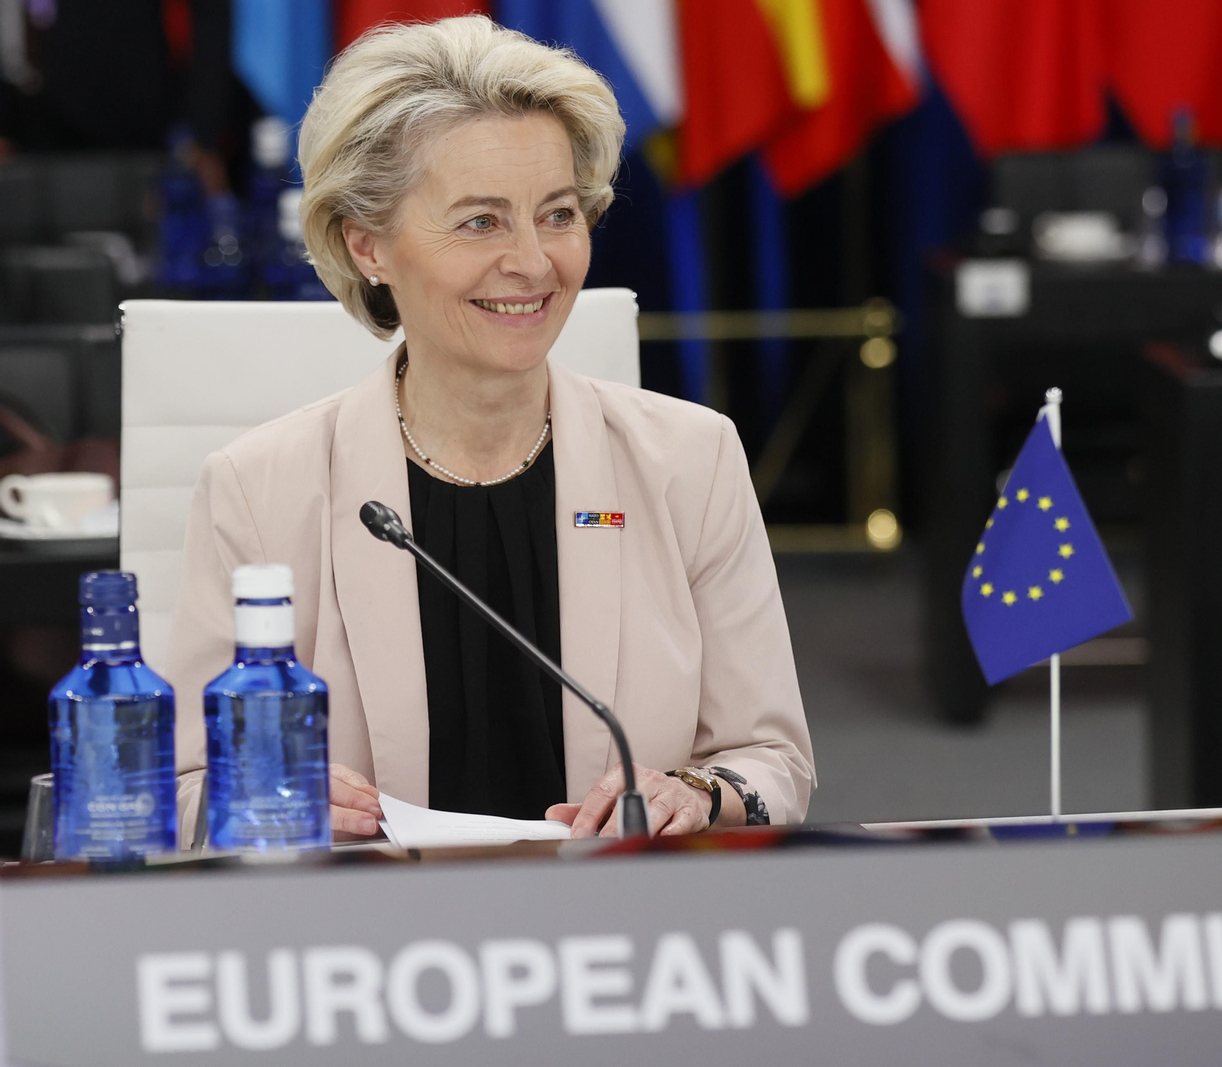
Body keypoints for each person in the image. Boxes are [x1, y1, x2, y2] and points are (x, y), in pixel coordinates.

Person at [164, 15, 814, 845]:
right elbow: (178, 791)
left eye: (558, 214)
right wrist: (260, 799)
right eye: (481, 221)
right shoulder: (259, 490)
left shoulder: (691, 460)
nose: (535, 262)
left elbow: (772, 761)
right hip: (370, 921)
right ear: (368, 246)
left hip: (619, 915)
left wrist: (694, 791)